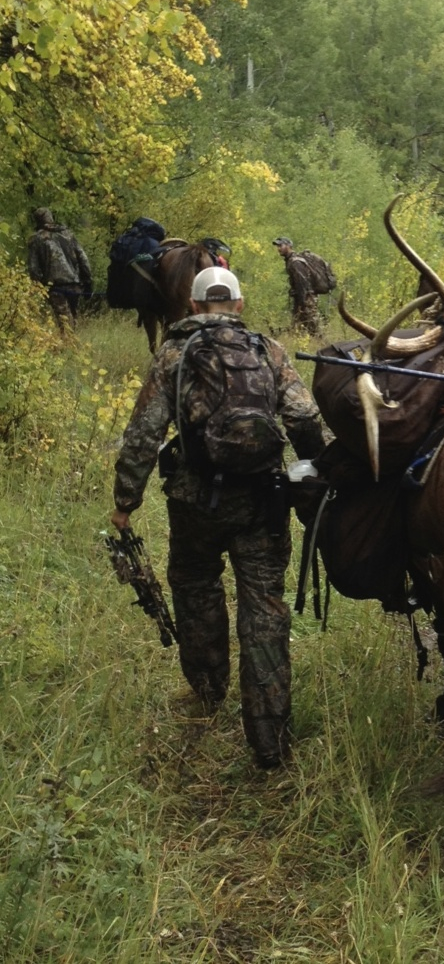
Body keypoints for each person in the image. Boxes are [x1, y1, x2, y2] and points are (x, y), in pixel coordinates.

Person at [110, 266, 325, 770]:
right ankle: (270, 742)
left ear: (192, 306)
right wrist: (322, 481)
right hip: (262, 503)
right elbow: (305, 421)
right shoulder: (267, 350)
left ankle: (208, 690)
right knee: (264, 610)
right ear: (240, 306)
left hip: (194, 502)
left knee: (195, 584)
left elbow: (143, 434)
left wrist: (125, 503)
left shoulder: (174, 354)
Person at [27, 207, 93, 332]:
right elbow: (83, 258)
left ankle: (69, 348)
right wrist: (88, 281)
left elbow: (33, 268)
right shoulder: (68, 234)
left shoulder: (36, 239)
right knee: (71, 319)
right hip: (75, 285)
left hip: (55, 287)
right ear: (51, 218)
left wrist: (40, 288)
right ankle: (71, 348)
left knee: (66, 324)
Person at [272, 236, 323, 336]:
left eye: (281, 245)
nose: (278, 248)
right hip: (303, 300)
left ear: (288, 246)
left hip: (306, 300)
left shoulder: (295, 262)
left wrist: (302, 304)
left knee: (313, 330)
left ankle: (322, 346)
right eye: (277, 246)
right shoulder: (291, 260)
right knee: (298, 328)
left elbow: (302, 284)